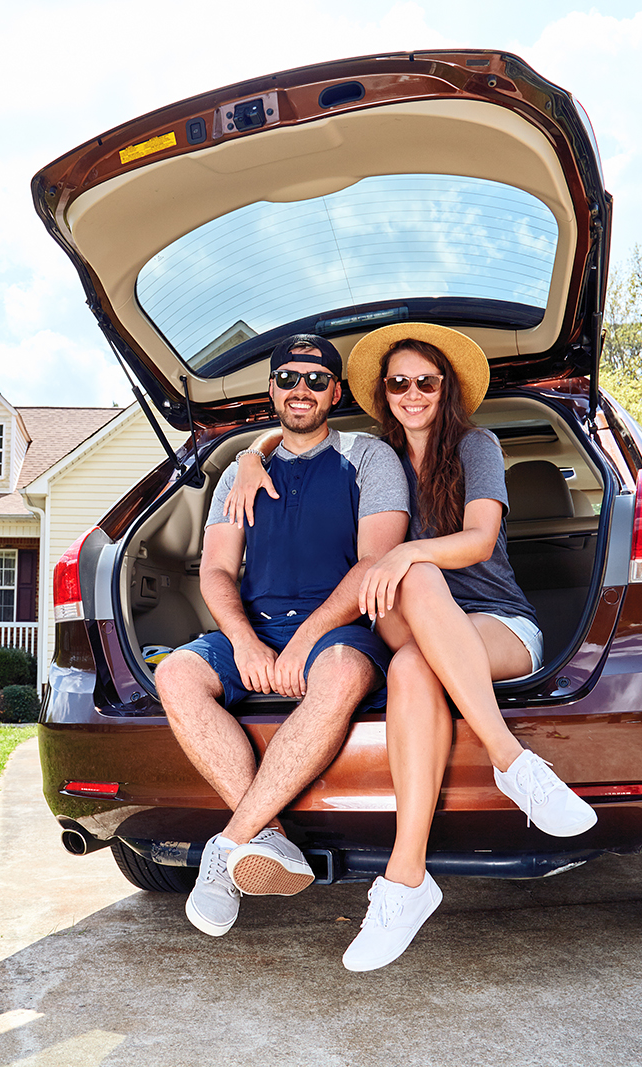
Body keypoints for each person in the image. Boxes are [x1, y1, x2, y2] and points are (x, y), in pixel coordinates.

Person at [224, 322, 597, 971]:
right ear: (384, 392)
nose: (412, 392)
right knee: (409, 633)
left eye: (426, 380)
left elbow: (479, 540)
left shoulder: (476, 445)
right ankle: (443, 838)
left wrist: (404, 553)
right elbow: (300, 434)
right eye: (398, 382)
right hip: (412, 626)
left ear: (445, 386)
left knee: (414, 622)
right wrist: (252, 456)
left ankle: (445, 832)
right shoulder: (376, 458)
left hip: (498, 625)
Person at [155, 334, 410, 939]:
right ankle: (267, 837)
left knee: (343, 674)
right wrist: (244, 639)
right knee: (175, 673)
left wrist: (304, 640)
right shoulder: (239, 475)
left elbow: (375, 563)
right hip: (256, 631)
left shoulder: (368, 458)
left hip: (339, 629)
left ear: (336, 391)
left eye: (316, 380)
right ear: (271, 388)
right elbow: (216, 570)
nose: (302, 390)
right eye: (289, 378)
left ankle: (226, 849)